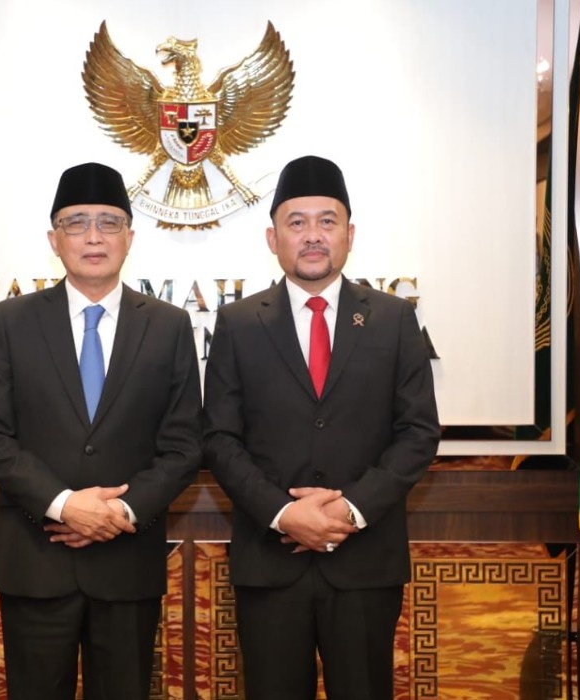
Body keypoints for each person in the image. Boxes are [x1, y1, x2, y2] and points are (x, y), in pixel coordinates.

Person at [203, 155, 441, 700]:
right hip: (270, 560)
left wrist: (349, 509)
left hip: (365, 561)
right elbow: (219, 438)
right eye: (297, 222)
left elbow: (418, 433)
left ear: (349, 234)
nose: (313, 235)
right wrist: (283, 513)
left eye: (327, 221)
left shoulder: (393, 319)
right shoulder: (239, 323)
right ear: (273, 238)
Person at [0, 162, 201, 700]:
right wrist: (64, 504)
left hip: (127, 562)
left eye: (109, 222)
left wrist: (121, 512)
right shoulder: (13, 320)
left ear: (129, 238)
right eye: (76, 223)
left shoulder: (168, 326)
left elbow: (185, 443)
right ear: (54, 239)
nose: (94, 237)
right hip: (36, 561)